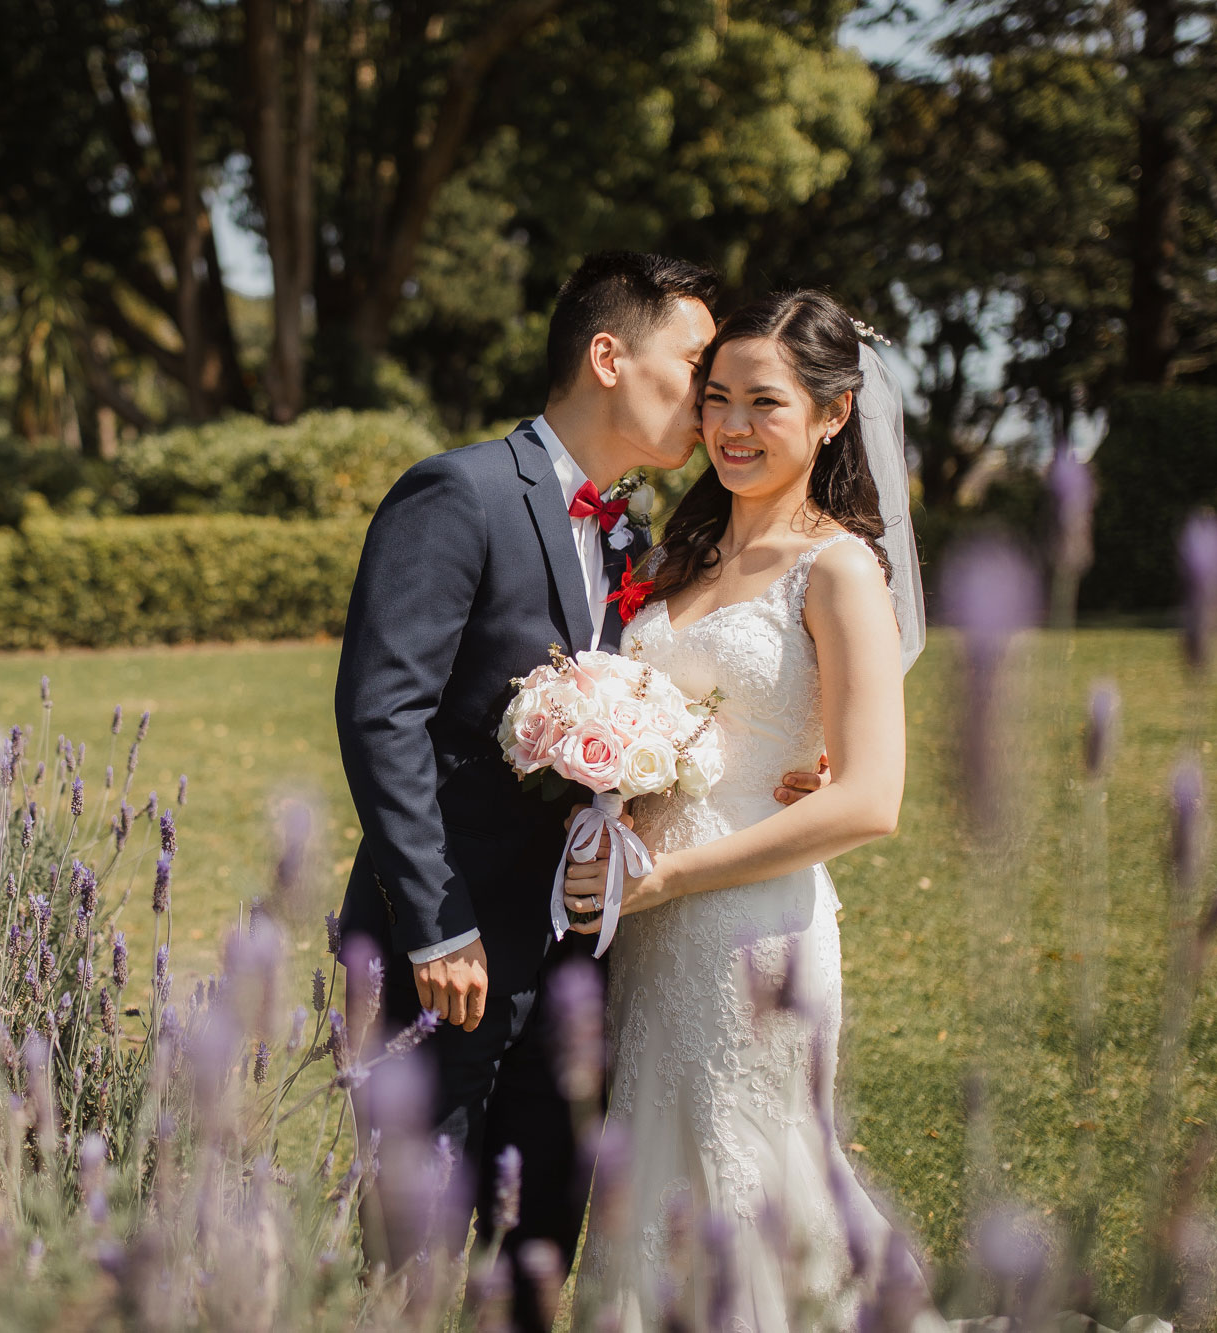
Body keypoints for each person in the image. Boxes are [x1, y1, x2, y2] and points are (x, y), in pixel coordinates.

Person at [331, 253, 830, 1330]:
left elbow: (667, 701)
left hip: (584, 959)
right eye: (694, 364)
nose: (707, 400)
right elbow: (382, 715)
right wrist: (433, 930)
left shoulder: (635, 535)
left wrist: (772, 762)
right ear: (608, 356)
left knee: (538, 1248)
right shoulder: (456, 494)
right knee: (405, 1257)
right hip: (449, 956)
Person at [563, 288, 929, 1330]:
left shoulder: (839, 568)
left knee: (745, 1177)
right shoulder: (675, 555)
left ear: (831, 413)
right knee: (650, 1189)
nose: (727, 426)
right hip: (640, 932)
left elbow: (869, 798)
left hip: (748, 933)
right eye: (713, 397)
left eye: (762, 402)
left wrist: (666, 873)